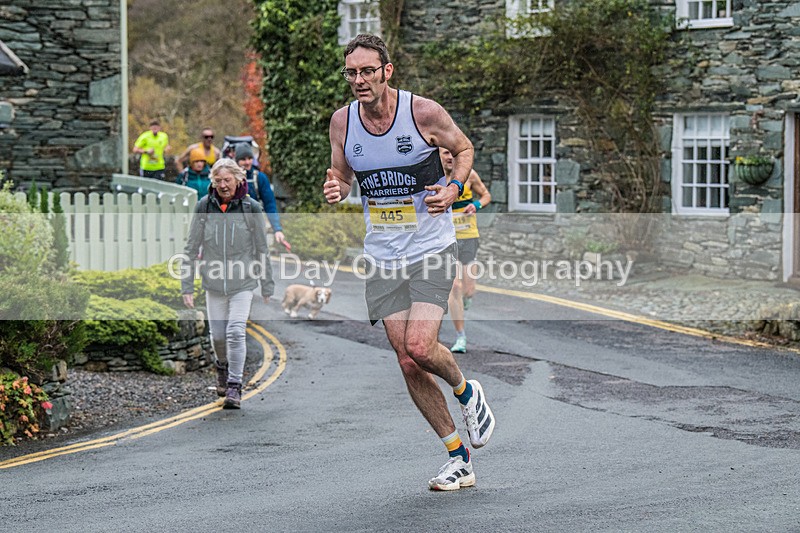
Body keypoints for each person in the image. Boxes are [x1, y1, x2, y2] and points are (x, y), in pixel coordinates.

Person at [323, 34, 495, 491]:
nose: (358, 80)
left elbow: (464, 150)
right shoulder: (342, 122)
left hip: (430, 248)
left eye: (366, 71)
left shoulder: (422, 113)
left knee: (421, 346)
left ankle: (466, 390)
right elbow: (340, 172)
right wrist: (337, 186)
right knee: (407, 362)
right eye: (351, 73)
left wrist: (454, 189)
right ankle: (458, 457)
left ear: (386, 71)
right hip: (382, 255)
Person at [181, 158, 274, 409]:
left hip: (242, 283)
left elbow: (262, 249)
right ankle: (221, 367)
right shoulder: (204, 206)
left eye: (227, 180)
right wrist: (187, 285)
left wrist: (267, 284)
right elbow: (190, 248)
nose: (223, 185)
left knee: (235, 331)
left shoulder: (250, 208)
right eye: (218, 180)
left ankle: (234, 385)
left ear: (239, 180)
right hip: (213, 284)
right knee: (219, 337)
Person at [441, 147, 491, 353]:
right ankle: (461, 337)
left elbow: (486, 195)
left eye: (453, 153)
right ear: (438, 155)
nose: (450, 157)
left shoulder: (469, 175)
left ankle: (466, 299)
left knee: (469, 289)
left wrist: (476, 205)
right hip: (445, 240)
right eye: (445, 153)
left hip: (469, 237)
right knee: (455, 287)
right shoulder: (434, 179)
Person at [235, 143, 291, 251]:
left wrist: (277, 229)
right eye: (243, 159)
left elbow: (270, 204)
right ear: (237, 161)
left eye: (250, 158)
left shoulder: (260, 178)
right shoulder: (230, 179)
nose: (247, 162)